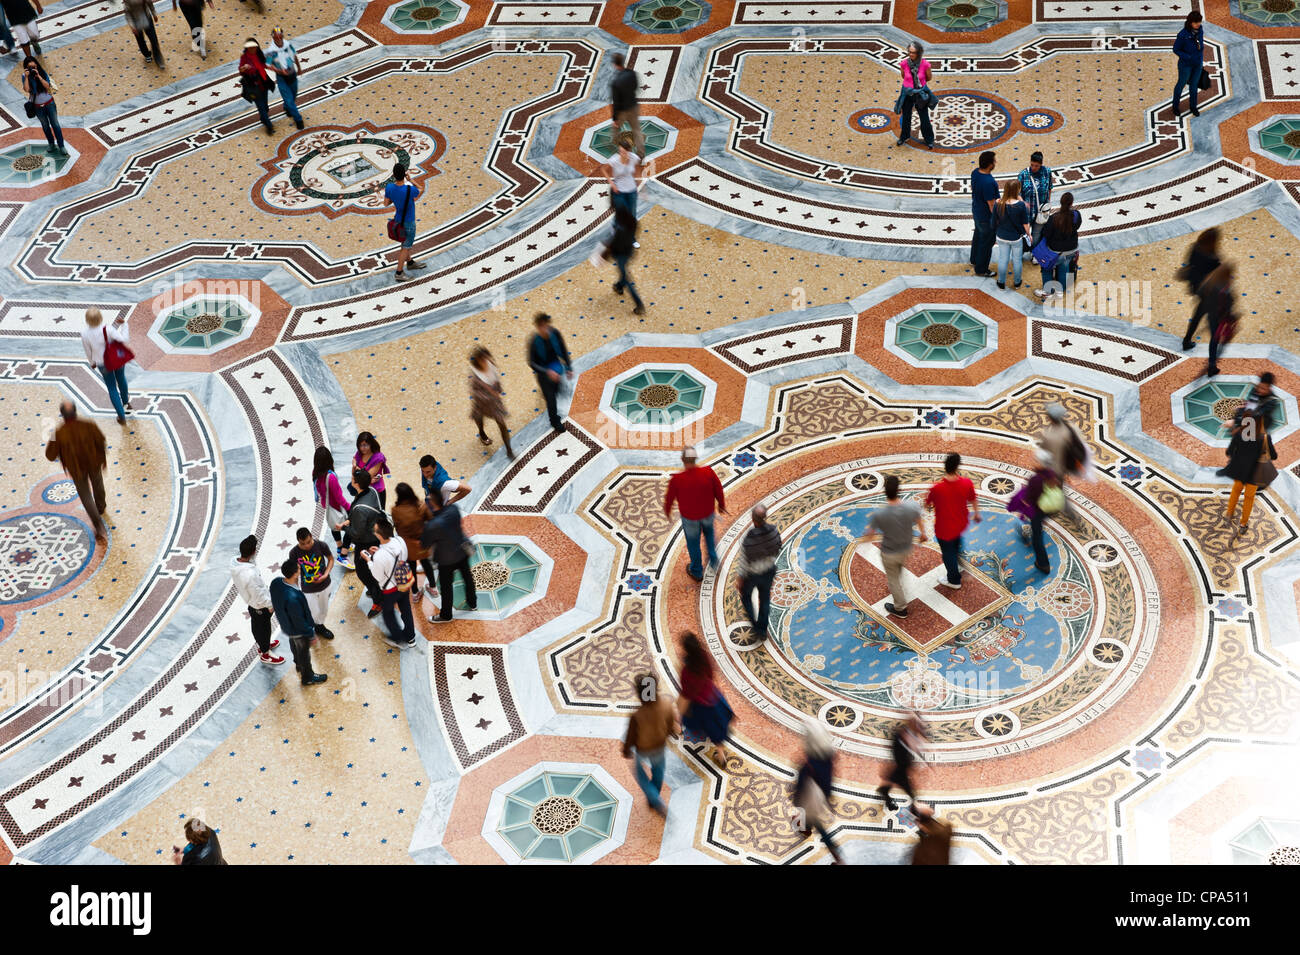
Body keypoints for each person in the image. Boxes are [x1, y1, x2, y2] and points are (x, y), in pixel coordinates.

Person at [859, 474, 926, 618]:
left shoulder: (880, 514)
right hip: (906, 548)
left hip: (889, 552)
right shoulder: (911, 506)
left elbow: (870, 534)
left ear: (885, 492)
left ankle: (900, 608)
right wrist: (923, 534)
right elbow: (919, 518)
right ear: (898, 490)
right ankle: (900, 589)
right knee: (899, 568)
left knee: (893, 580)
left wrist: (863, 540)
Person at [44, 400, 109, 545]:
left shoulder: (58, 433)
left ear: (63, 415)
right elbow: (101, 440)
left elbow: (50, 455)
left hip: (76, 468)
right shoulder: (89, 425)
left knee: (85, 494)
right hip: (94, 462)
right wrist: (103, 459)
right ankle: (101, 506)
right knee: (98, 483)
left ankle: (98, 524)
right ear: (75, 411)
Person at [664, 446, 727, 583]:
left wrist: (667, 511)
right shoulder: (708, 472)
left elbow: (669, 499)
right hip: (708, 514)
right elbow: (718, 489)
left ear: (682, 460)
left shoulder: (677, 479)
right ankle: (714, 560)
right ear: (695, 458)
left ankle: (697, 571)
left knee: (693, 544)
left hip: (690, 519)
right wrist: (721, 505)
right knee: (709, 536)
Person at [421, 485, 477, 622]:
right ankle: (473, 603)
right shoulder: (453, 509)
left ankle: (446, 615)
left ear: (432, 504)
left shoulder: (432, 525)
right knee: (467, 578)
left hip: (446, 560)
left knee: (446, 587)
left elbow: (425, 544)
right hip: (462, 552)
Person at [623, 673, 677, 815]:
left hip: (643, 749)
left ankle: (655, 799)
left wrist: (626, 749)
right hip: (659, 745)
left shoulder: (637, 714)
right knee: (658, 771)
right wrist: (669, 733)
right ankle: (654, 798)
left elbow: (631, 735)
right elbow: (671, 723)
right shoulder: (666, 705)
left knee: (640, 775)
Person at [925, 453, 980, 590]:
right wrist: (977, 513)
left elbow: (927, 505)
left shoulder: (936, 488)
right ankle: (958, 557)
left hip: (944, 528)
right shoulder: (967, 483)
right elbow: (973, 499)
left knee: (947, 554)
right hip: (960, 523)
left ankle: (954, 580)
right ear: (957, 467)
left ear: (945, 467)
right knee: (956, 542)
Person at [678, 632, 733, 769]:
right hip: (713, 696)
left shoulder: (687, 672)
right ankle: (721, 753)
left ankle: (720, 754)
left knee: (709, 727)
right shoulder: (704, 656)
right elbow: (711, 675)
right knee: (716, 727)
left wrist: (680, 712)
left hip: (701, 706)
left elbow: (687, 695)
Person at [791, 721, 844, 864]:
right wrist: (828, 797)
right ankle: (805, 827)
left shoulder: (808, 764)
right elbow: (828, 779)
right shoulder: (829, 757)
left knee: (818, 826)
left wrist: (794, 796)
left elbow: (800, 786)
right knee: (807, 817)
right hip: (821, 796)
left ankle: (837, 856)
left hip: (809, 799)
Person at [270, 557, 328, 686]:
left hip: (287, 625)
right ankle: (308, 676)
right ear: (295, 573)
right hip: (298, 630)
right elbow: (299, 620)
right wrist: (311, 634)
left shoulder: (277, 582)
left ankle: (298, 664)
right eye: (298, 568)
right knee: (304, 652)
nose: (300, 568)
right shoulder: (293, 598)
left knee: (294, 645)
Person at [229, 535, 284, 665]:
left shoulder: (236, 564)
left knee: (258, 626)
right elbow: (258, 594)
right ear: (253, 552)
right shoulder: (250, 575)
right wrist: (271, 604)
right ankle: (265, 653)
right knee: (264, 628)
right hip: (259, 605)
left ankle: (264, 645)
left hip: (252, 603)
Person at [1006, 451, 1063, 574]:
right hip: (1051, 508)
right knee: (1037, 526)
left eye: (1036, 460)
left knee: (1037, 538)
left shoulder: (1036, 479)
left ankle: (1043, 564)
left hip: (1039, 510)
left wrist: (1022, 500)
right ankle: (1031, 531)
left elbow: (1030, 499)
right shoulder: (1055, 475)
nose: (1034, 462)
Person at [363, 518, 415, 650]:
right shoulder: (400, 540)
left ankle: (398, 639)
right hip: (404, 581)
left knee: (388, 613)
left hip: (391, 590)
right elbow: (402, 556)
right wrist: (379, 550)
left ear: (379, 535)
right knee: (406, 609)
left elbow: (377, 576)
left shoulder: (380, 556)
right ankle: (411, 638)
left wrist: (369, 560)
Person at [341, 468, 386, 619]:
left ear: (356, 483)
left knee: (364, 572)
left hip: (366, 542)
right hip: (376, 535)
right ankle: (377, 589)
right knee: (375, 569)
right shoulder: (372, 491)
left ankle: (378, 600)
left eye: (353, 479)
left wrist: (345, 527)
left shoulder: (359, 509)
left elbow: (357, 533)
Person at [1037, 402, 1091, 520]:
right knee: (1058, 491)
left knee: (1049, 493)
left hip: (1054, 471)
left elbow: (1043, 452)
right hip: (1064, 468)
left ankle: (1041, 518)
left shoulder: (1051, 436)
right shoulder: (1070, 428)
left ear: (1050, 418)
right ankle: (1069, 514)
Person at [1224, 408, 1272, 535]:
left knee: (1235, 491)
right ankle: (1243, 524)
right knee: (1249, 498)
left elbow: (1229, 452)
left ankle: (1229, 515)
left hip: (1240, 470)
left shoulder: (1239, 434)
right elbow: (1271, 456)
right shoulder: (1264, 438)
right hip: (1255, 473)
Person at [80, 307, 132, 424]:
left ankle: (121, 416)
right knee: (121, 379)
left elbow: (88, 350)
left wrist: (92, 363)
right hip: (116, 359)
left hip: (102, 363)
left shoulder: (84, 334)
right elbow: (124, 339)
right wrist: (124, 326)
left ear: (87, 320)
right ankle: (126, 404)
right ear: (100, 317)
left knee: (112, 387)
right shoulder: (107, 329)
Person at [375, 163, 425, 283]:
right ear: (404, 175)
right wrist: (411, 179)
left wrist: (395, 198)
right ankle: (399, 272)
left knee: (404, 243)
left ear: (393, 175)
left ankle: (411, 263)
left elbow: (386, 203)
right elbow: (421, 189)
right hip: (409, 222)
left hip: (398, 220)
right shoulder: (410, 189)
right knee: (406, 247)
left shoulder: (390, 188)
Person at [737, 504, 780, 641]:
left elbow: (744, 561)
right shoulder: (773, 531)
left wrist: (740, 578)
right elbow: (778, 546)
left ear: (753, 519)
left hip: (752, 575)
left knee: (745, 597)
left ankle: (755, 625)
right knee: (765, 599)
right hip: (769, 571)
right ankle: (762, 629)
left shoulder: (749, 538)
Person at [391, 482, 437, 603]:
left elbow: (397, 527)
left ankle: (415, 593)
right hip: (422, 542)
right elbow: (431, 520)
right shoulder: (421, 505)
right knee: (427, 564)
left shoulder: (395, 510)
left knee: (411, 569)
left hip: (406, 545)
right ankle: (433, 587)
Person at [528, 313, 573, 433]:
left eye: (546, 325)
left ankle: (552, 391)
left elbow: (563, 350)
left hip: (557, 369)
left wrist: (568, 367)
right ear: (537, 327)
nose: (545, 329)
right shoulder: (534, 342)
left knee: (557, 391)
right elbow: (531, 363)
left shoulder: (555, 334)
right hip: (544, 374)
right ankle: (554, 421)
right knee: (551, 400)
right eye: (541, 326)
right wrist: (547, 372)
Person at [1178, 228, 1222, 351]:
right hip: (1209, 292)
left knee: (1199, 314)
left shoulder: (1195, 248)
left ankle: (1187, 340)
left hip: (1197, 287)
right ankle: (1211, 351)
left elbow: (1190, 265)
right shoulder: (1214, 258)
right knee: (1205, 316)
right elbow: (1217, 277)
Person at [1032, 193, 1081, 302]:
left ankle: (1047, 291)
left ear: (1060, 202)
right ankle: (1059, 292)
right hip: (1072, 249)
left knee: (1046, 268)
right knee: (1064, 269)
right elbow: (1077, 226)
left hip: (1056, 251)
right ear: (1071, 203)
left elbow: (1046, 234)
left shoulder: (1054, 218)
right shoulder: (1076, 215)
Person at [290, 527, 335, 641]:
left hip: (325, 584)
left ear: (311, 536)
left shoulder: (321, 545)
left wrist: (325, 574)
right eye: (303, 543)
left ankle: (320, 627)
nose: (306, 546)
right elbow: (294, 572)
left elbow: (330, 559)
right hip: (308, 588)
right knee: (313, 612)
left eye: (309, 542)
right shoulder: (294, 553)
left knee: (324, 609)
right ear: (298, 541)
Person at [468, 347, 514, 459]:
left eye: (486, 358)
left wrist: (497, 390)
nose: (486, 361)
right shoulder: (476, 376)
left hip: (495, 405)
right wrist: (491, 394)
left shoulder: (490, 365)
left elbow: (496, 380)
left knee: (502, 425)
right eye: (483, 359)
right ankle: (482, 433)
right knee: (479, 418)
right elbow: (475, 393)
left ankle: (509, 449)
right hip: (482, 404)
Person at [312, 446, 352, 569]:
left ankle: (339, 547)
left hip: (327, 505)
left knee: (334, 525)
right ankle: (343, 555)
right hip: (336, 506)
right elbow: (339, 498)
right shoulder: (331, 477)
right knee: (351, 528)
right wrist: (350, 508)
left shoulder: (315, 473)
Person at [877, 712, 925, 812]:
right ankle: (914, 808)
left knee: (895, 783)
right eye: (915, 723)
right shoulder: (901, 735)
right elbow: (898, 751)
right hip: (901, 767)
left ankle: (886, 795)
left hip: (900, 767)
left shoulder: (910, 735)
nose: (918, 726)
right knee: (908, 789)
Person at [20, 56, 64, 156]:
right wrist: (27, 77)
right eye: (30, 67)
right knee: (45, 126)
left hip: (50, 104)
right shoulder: (25, 76)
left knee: (55, 125)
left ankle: (61, 145)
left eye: (33, 65)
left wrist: (39, 76)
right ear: (26, 68)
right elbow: (26, 90)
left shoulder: (42, 72)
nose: (32, 68)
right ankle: (51, 144)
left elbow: (47, 86)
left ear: (36, 64)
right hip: (37, 106)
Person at [1199, 261, 1236, 378]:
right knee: (1218, 339)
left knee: (1213, 340)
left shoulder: (1210, 282)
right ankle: (1212, 365)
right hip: (1221, 317)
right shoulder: (1226, 287)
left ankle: (1211, 364)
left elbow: (1201, 293)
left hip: (1211, 315)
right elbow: (1229, 303)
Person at [992, 180, 1031, 290]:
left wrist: (995, 234)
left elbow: (993, 222)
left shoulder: (998, 203)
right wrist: (1029, 234)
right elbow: (1025, 223)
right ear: (1017, 190)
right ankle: (1017, 282)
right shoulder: (1020, 205)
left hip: (1001, 236)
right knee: (1017, 260)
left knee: (1003, 259)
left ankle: (1001, 282)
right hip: (1015, 238)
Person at [895, 40, 934, 150]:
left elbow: (929, 78)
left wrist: (918, 85)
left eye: (913, 52)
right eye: (909, 52)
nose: (911, 54)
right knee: (906, 116)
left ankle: (929, 139)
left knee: (924, 117)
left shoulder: (925, 64)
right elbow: (904, 76)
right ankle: (904, 136)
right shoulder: (904, 63)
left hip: (920, 93)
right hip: (907, 93)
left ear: (919, 53)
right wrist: (910, 86)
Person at [608, 206, 646, 315]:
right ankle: (619, 286)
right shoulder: (633, 223)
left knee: (627, 279)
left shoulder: (619, 227)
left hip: (621, 254)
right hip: (629, 252)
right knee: (623, 274)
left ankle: (639, 304)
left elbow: (615, 241)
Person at [265, 27, 304, 130]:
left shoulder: (288, 45)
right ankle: (298, 120)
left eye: (280, 36)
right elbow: (267, 65)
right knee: (289, 100)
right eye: (276, 36)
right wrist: (279, 71)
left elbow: (294, 56)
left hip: (292, 74)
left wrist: (299, 68)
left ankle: (287, 108)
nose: (278, 38)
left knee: (294, 96)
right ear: (273, 37)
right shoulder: (271, 51)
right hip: (282, 78)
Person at [609, 51, 645, 160]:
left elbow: (616, 102)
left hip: (622, 111)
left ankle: (618, 150)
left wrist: (615, 118)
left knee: (615, 128)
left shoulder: (615, 83)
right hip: (633, 106)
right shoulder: (632, 73)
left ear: (614, 65)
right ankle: (641, 155)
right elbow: (636, 87)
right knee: (637, 131)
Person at [1018, 151, 1053, 260]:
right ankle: (1021, 252)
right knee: (1025, 234)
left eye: (1037, 166)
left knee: (1037, 233)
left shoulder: (1047, 172)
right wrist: (1023, 203)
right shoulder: (1023, 174)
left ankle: (1035, 253)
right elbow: (1018, 193)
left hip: (1041, 211)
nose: (1034, 167)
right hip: (1027, 211)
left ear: (1041, 164)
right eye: (1032, 164)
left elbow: (1049, 188)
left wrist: (1048, 203)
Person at [968, 151, 998, 278]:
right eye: (994, 161)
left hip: (977, 211)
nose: (996, 162)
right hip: (986, 217)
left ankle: (974, 259)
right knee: (987, 243)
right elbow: (991, 205)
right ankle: (981, 269)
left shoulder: (975, 172)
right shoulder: (989, 182)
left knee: (978, 235)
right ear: (990, 164)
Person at [238, 38, 276, 135]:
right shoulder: (244, 57)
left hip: (263, 82)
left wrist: (272, 65)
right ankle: (269, 125)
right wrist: (244, 68)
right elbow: (240, 70)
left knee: (265, 106)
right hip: (253, 86)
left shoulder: (259, 54)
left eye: (254, 47)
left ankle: (263, 118)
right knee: (261, 106)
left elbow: (264, 65)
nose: (252, 49)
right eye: (250, 47)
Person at [1171, 11, 1204, 119]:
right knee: (1181, 84)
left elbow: (1200, 43)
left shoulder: (1200, 30)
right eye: (1196, 22)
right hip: (1186, 65)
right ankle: (1175, 106)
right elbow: (1176, 49)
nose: (1198, 24)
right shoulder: (1182, 35)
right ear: (1190, 22)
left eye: (1199, 22)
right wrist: (1188, 57)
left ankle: (1193, 107)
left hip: (1197, 63)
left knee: (1194, 85)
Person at [604, 133, 642, 220]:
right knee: (620, 215)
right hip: (619, 191)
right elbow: (603, 169)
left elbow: (638, 170)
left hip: (632, 191)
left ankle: (630, 232)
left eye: (624, 152)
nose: (622, 154)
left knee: (632, 215)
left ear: (629, 151)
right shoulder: (614, 159)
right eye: (620, 151)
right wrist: (611, 183)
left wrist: (638, 182)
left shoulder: (634, 158)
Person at [349, 431, 390, 508]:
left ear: (371, 444)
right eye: (360, 445)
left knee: (377, 516)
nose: (362, 448)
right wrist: (355, 466)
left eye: (365, 445)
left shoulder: (378, 457)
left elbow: (367, 476)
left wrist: (357, 469)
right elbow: (355, 467)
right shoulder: (359, 453)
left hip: (376, 491)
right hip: (361, 490)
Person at [122, 0, 163, 67]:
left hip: (147, 17)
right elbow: (128, 15)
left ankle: (158, 57)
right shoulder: (128, 2)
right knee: (140, 39)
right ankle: (146, 54)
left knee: (153, 39)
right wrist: (132, 27)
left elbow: (150, 4)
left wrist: (154, 13)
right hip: (136, 21)